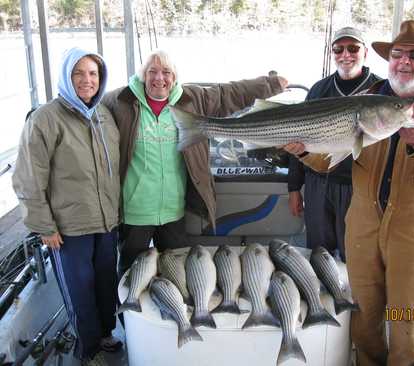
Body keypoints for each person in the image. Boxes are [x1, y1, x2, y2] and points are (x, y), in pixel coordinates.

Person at [284, 20, 414, 365]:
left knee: (408, 324)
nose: (403, 62)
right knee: (364, 320)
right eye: (397, 54)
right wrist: (302, 150)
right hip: (363, 226)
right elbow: (330, 161)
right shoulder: (363, 103)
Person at [103, 49, 288, 277]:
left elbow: (228, 94)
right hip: (135, 209)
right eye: (152, 72)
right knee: (131, 272)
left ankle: (174, 310)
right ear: (143, 75)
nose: (159, 78)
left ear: (175, 77)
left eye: (166, 72)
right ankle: (127, 313)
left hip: (173, 208)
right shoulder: (120, 100)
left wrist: (269, 84)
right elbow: (89, 109)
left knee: (177, 270)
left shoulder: (191, 99)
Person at [13, 48, 122, 365]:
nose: (87, 80)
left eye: (93, 74)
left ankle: (105, 333)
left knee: (105, 282)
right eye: (79, 74)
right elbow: (28, 178)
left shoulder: (103, 115)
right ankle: (87, 349)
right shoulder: (46, 119)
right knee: (79, 290)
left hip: (106, 221)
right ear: (66, 77)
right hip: (68, 227)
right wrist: (44, 226)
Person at [287, 26, 381, 261]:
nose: (345, 55)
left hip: (360, 187)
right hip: (318, 183)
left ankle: (354, 298)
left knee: (357, 254)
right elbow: (297, 136)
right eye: (338, 49)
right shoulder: (319, 89)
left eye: (353, 48)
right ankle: (320, 295)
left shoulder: (381, 91)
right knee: (319, 254)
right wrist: (293, 188)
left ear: (365, 52)